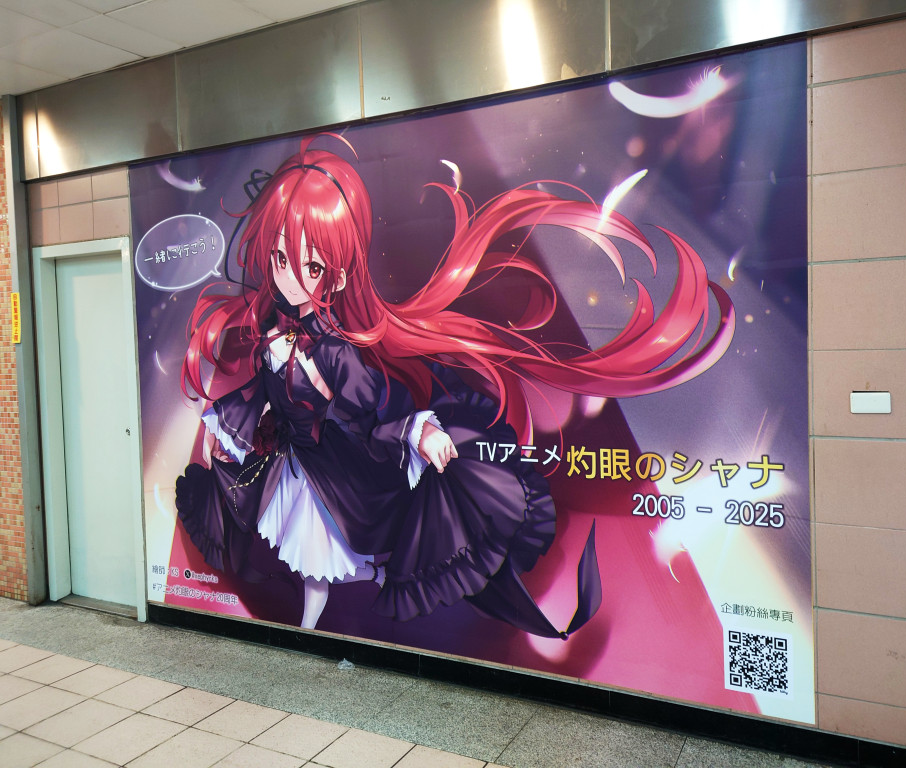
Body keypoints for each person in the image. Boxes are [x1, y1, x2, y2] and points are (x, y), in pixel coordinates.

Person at [175, 133, 735, 634]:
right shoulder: (277, 330)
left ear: (338, 275)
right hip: (300, 465)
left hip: (340, 475)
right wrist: (248, 425)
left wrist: (417, 432)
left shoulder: (336, 352)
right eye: (279, 258)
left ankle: (333, 605)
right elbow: (270, 394)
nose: (288, 275)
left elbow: (373, 412)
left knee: (328, 555)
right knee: (289, 544)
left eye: (311, 266)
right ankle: (321, 609)